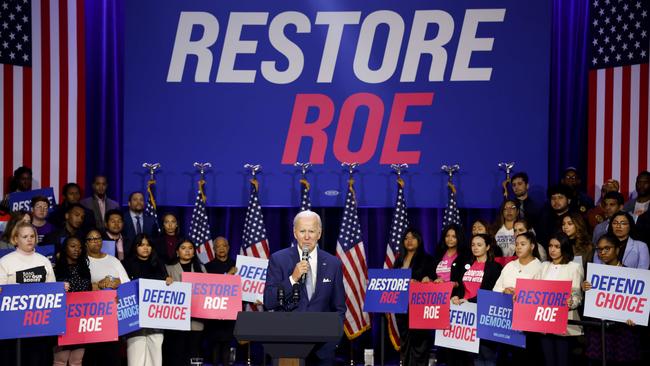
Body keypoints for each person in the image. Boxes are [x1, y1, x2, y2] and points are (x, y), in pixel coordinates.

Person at [263, 210, 346, 366]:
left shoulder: (333, 263)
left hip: (323, 349)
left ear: (319, 233)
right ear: (295, 233)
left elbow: (339, 308)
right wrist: (292, 278)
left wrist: (333, 340)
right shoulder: (278, 259)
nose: (307, 237)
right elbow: (269, 301)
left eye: (311, 231)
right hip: (287, 346)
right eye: (302, 231)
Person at [583, 234, 642, 364]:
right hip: (600, 331)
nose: (602, 252)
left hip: (623, 331)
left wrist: (636, 317)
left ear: (617, 250)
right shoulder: (593, 275)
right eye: (599, 249)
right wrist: (585, 288)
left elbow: (638, 304)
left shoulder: (631, 275)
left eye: (607, 248)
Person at [450, 234, 502, 366]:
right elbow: (461, 287)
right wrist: (456, 296)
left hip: (484, 314)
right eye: (473, 245)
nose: (475, 248)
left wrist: (471, 301)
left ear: (488, 247)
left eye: (479, 245)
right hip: (467, 315)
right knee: (475, 356)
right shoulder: (466, 265)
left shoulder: (494, 267)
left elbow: (491, 292)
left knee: (487, 354)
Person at [123, 234, 171, 366]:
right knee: (136, 358)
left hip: (155, 318)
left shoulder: (159, 263)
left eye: (148, 245)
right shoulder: (126, 264)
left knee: (155, 356)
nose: (146, 248)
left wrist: (169, 281)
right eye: (142, 245)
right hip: (134, 318)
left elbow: (166, 286)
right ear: (135, 247)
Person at [390, 228, 435, 366]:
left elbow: (431, 279)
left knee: (420, 344)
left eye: (413, 238)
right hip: (401, 306)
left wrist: (422, 281)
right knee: (405, 343)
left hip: (419, 306)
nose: (409, 241)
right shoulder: (399, 260)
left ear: (419, 240)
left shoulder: (427, 259)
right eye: (406, 238)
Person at [84, 228, 129, 366]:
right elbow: (79, 285)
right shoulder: (83, 261)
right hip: (90, 316)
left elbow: (126, 283)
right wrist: (98, 285)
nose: (95, 241)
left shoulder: (113, 260)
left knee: (111, 355)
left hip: (111, 315)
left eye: (98, 238)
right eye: (91, 239)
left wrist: (117, 282)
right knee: (92, 356)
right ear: (86, 243)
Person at [538, 232, 584, 366]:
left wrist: (572, 302)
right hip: (544, 319)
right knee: (548, 360)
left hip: (564, 320)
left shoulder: (574, 267)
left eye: (557, 246)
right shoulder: (544, 266)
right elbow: (535, 289)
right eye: (550, 246)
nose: (552, 249)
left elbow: (577, 295)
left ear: (564, 247)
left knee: (563, 360)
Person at [164, 239, 206, 366]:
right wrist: (165, 282)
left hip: (196, 320)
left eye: (190, 248)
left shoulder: (201, 268)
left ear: (194, 252)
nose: (187, 250)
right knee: (177, 355)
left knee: (193, 354)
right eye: (183, 248)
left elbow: (209, 291)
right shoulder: (168, 268)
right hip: (176, 320)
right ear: (177, 252)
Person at [53, 236, 92, 366]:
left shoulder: (85, 269)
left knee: (77, 361)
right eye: (73, 246)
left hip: (81, 320)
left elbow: (89, 293)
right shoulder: (56, 270)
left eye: (80, 247)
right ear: (65, 248)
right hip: (62, 321)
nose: (77, 250)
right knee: (60, 361)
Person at [204, 236, 237, 366]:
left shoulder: (237, 265)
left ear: (228, 248)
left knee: (228, 344)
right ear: (214, 249)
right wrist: (228, 276)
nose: (221, 249)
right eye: (218, 246)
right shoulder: (208, 267)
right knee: (214, 346)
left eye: (224, 246)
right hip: (213, 314)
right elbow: (210, 287)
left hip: (230, 314)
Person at [536, 184, 573, 250]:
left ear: (569, 200)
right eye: (553, 198)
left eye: (560, 197)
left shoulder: (575, 219)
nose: (556, 201)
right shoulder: (544, 218)